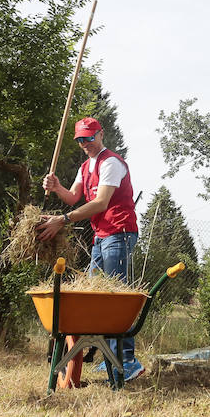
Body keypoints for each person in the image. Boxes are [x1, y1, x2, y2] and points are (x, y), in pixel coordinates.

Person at [38, 117, 143, 382]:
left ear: (100, 135)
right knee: (96, 295)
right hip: (101, 236)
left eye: (89, 137)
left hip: (119, 233)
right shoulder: (85, 167)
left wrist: (62, 220)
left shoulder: (111, 163)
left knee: (117, 298)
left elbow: (100, 203)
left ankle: (128, 361)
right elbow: (73, 197)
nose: (86, 144)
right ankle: (111, 356)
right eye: (81, 140)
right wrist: (56, 187)